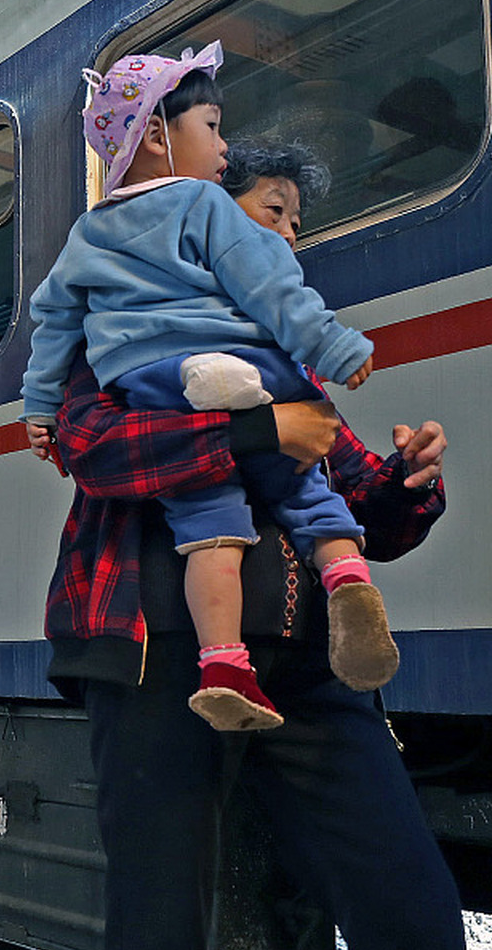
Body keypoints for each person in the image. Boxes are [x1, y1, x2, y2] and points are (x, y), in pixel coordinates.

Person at [33, 147, 487, 950]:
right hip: (154, 657)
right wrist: (255, 435)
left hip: (304, 669)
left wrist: (412, 480)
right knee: (158, 944)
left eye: (292, 226)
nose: (289, 239)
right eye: (267, 220)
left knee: (411, 908)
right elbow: (93, 447)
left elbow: (364, 504)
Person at [20, 45, 395, 731]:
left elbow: (49, 321)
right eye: (215, 128)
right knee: (309, 490)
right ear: (158, 135)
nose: (223, 147)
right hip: (146, 648)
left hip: (162, 383)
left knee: (210, 524)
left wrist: (411, 482)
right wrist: (331, 350)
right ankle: (346, 583)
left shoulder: (88, 239)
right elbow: (273, 290)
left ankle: (225, 664)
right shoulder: (202, 206)